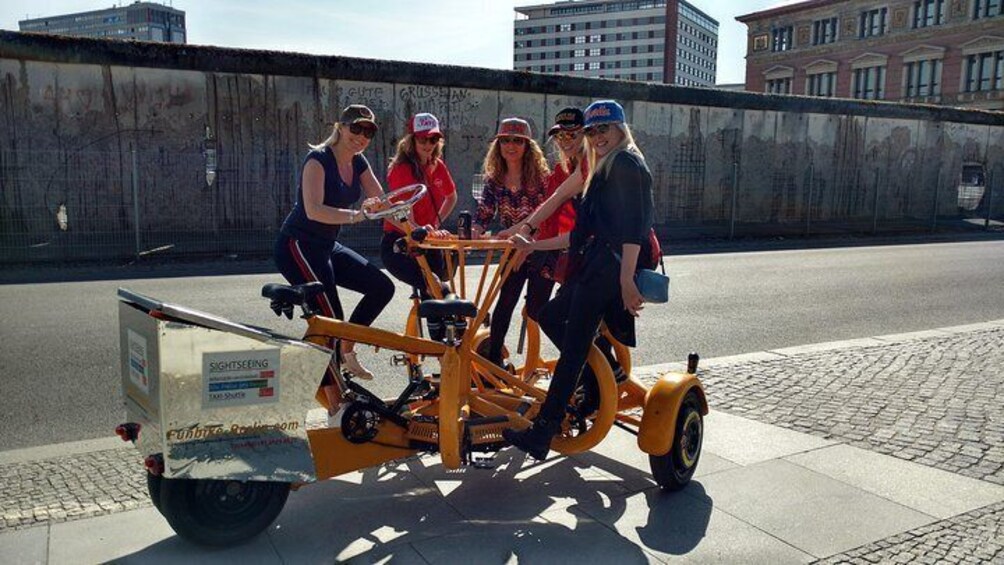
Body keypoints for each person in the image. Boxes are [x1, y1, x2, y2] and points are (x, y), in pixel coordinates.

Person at [503, 100, 655, 459]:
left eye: (604, 128)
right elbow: (580, 232)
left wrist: (626, 281)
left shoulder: (627, 163)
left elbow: (634, 227)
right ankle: (604, 374)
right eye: (592, 131)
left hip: (610, 267)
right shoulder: (600, 167)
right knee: (551, 316)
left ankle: (544, 431)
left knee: (572, 347)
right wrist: (532, 242)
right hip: (594, 262)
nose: (598, 136)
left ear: (620, 128)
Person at [274, 104, 395, 381]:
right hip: (298, 245)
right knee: (330, 321)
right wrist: (357, 215)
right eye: (356, 128)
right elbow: (314, 209)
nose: (362, 136)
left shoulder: (359, 161)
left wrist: (415, 230)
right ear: (340, 127)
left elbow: (383, 203)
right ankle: (332, 401)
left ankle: (345, 350)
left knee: (382, 287)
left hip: (327, 246)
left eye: (369, 131)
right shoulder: (317, 159)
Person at [472, 117, 550, 367]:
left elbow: (544, 216)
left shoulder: (541, 178)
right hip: (512, 249)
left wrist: (522, 241)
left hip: (540, 249)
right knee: (504, 302)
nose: (511, 146)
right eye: (505, 140)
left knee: (539, 310)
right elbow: (484, 213)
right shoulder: (494, 180)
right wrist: (474, 230)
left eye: (518, 141)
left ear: (528, 146)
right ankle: (494, 359)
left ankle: (572, 360)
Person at [380, 113, 457, 299]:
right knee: (438, 288)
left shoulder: (437, 165)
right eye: (423, 139)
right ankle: (461, 317)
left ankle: (445, 327)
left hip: (428, 240)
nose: (428, 144)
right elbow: (405, 212)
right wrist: (420, 230)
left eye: (434, 139)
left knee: (434, 298)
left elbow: (451, 197)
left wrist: (435, 226)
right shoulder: (402, 169)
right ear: (411, 140)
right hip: (400, 241)